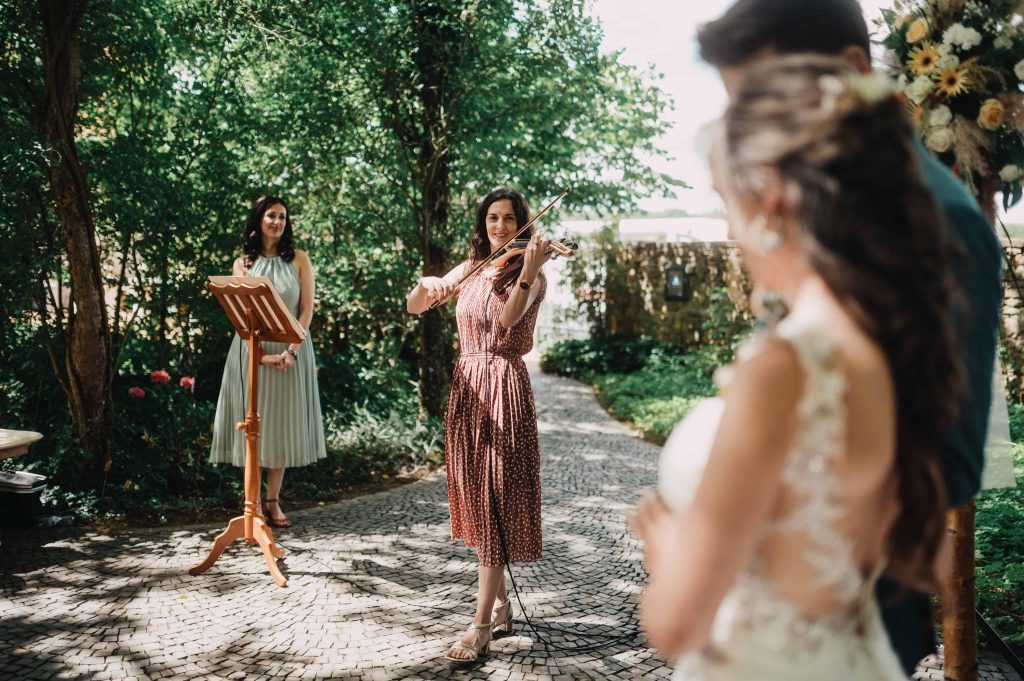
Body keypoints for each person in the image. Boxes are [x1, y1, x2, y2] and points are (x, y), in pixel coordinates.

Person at [692, 0, 1003, 671]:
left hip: (851, 608)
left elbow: (950, 459)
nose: (749, 135)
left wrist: (770, 527)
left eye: (764, 100)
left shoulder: (943, 222)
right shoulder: (807, 206)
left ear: (852, 71)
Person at [630, 55, 964, 679]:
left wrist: (668, 555)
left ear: (771, 198)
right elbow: (927, 559)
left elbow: (677, 625)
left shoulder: (782, 372)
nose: (729, 228)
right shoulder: (890, 348)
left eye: (725, 199)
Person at [406, 187, 550, 665]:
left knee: (493, 500)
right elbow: (415, 307)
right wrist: (427, 284)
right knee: (477, 498)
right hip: (467, 388)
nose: (501, 227)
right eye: (493, 218)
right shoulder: (471, 268)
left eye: (510, 218)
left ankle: (481, 624)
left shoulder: (531, 274)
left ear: (521, 222)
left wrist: (528, 270)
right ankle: (504, 605)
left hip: (503, 386)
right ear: (483, 223)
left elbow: (509, 322)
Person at [210, 195, 327, 528]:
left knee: (281, 425)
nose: (277, 221)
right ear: (259, 219)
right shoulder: (242, 264)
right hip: (251, 352)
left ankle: (273, 501)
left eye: (283, 216)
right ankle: (252, 504)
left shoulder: (299, 260)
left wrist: (291, 351)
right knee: (253, 427)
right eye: (271, 215)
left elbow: (306, 310)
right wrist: (261, 355)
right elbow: (239, 316)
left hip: (291, 351)